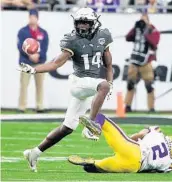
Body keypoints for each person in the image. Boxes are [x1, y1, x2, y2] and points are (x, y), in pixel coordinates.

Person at [18, 7, 113, 172]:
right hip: (79, 83)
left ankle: (34, 152)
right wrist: (35, 69)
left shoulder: (103, 36)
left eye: (86, 22)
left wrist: (110, 83)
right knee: (103, 85)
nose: (82, 26)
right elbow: (56, 63)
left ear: (94, 23)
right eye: (80, 22)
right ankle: (91, 126)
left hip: (90, 85)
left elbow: (109, 64)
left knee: (67, 128)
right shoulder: (72, 40)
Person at [68, 113, 172, 173]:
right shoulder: (169, 165)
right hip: (133, 167)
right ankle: (94, 163)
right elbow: (156, 170)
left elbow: (140, 134)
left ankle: (95, 131)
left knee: (101, 117)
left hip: (134, 150)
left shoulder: (158, 133)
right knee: (91, 168)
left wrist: (127, 140)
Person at [124, 13, 160, 113]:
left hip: (146, 61)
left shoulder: (153, 30)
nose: (142, 22)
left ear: (149, 21)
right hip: (134, 60)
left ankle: (151, 107)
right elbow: (128, 38)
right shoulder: (137, 29)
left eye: (144, 20)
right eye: (141, 20)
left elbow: (154, 43)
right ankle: (127, 106)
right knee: (130, 84)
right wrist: (135, 27)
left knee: (149, 85)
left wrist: (146, 32)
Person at [17, 9, 49, 113]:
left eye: (34, 17)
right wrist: (30, 55)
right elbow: (20, 45)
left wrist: (38, 55)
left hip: (39, 63)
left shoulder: (43, 32)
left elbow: (45, 47)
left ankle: (39, 106)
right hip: (26, 62)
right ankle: (22, 106)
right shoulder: (23, 31)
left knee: (40, 85)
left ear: (37, 18)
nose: (32, 19)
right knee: (24, 85)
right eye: (31, 17)